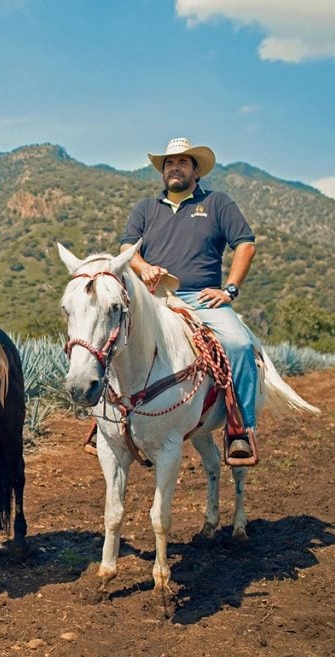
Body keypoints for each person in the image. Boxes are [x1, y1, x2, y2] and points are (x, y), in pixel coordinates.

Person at [121, 137, 259, 462]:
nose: (175, 167)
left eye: (183, 162)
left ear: (196, 171)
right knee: (114, 340)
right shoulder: (145, 208)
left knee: (238, 345)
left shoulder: (217, 203)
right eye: (169, 162)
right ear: (162, 171)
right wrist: (143, 268)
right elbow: (128, 251)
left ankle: (240, 430)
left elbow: (246, 245)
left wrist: (230, 289)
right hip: (156, 300)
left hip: (203, 300)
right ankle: (109, 423)